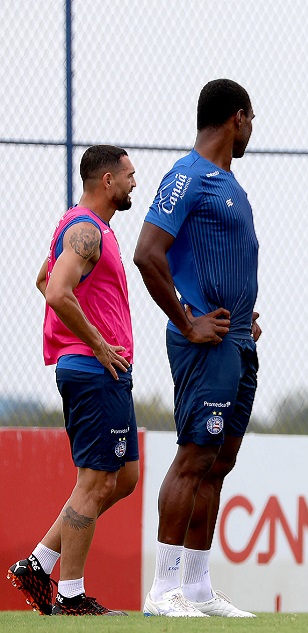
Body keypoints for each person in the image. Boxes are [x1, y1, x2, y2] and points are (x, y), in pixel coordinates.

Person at [133, 79, 261, 618]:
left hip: (235, 339)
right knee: (194, 455)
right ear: (237, 118)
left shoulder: (228, 181)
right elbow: (147, 252)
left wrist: (241, 311)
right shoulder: (186, 176)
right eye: (251, 120)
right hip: (203, 342)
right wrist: (187, 323)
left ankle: (199, 588)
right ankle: (163, 591)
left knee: (220, 460)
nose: (252, 130)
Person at [7, 145, 139, 616]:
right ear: (106, 181)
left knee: (124, 478)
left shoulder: (86, 228)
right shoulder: (85, 230)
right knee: (95, 481)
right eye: (128, 174)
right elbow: (58, 291)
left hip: (105, 371)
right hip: (92, 369)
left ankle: (39, 564)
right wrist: (97, 344)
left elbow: (43, 278)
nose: (133, 182)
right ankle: (70, 596)